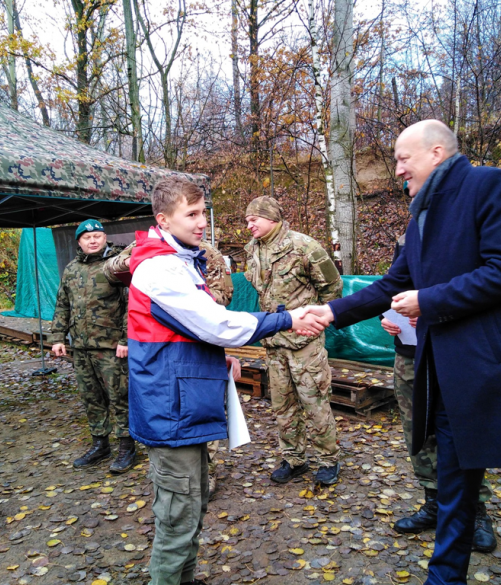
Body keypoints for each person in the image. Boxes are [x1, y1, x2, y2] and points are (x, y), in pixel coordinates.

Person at [303, 120, 501, 585]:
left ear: (436, 152)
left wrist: (429, 301)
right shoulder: (421, 216)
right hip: (451, 385)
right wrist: (331, 311)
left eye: (402, 158)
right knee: (453, 497)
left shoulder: (488, 186)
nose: (396, 170)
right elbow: (393, 283)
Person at [125, 177, 324, 585]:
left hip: (183, 403)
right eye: (192, 214)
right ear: (163, 219)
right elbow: (213, 323)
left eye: (203, 213)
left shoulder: (180, 260)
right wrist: (286, 319)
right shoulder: (161, 267)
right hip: (170, 408)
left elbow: (189, 331)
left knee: (193, 504)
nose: (202, 224)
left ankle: (185, 579)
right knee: (178, 517)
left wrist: (220, 358)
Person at [382, 234, 497, 552]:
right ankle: (434, 503)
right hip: (408, 356)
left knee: (463, 434)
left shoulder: (465, 234)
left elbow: (485, 288)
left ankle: (476, 513)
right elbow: (394, 287)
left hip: (453, 354)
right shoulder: (407, 238)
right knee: (417, 434)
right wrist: (386, 317)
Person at [104, 237, 234, 496]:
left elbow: (225, 296)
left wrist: (186, 299)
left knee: (201, 406)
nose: (197, 224)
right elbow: (110, 269)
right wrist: (138, 261)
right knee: (165, 407)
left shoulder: (208, 253)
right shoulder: (146, 245)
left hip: (198, 342)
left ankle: (205, 472)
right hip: (157, 344)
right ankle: (171, 473)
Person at [244, 196, 343, 485]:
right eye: (247, 220)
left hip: (304, 343)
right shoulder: (252, 250)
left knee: (314, 403)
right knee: (282, 405)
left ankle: (328, 459)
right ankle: (294, 458)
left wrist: (317, 320)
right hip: (274, 342)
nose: (249, 225)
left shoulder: (304, 246)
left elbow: (332, 287)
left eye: (254, 219)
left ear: (272, 218)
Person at [51, 219, 136, 474]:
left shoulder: (115, 267)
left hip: (111, 347)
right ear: (79, 241)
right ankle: (100, 444)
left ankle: (126, 447)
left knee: (120, 396)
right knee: (91, 397)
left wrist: (125, 340)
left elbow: (130, 305)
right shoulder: (71, 269)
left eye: (98, 236)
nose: (93, 240)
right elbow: (62, 304)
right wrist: (58, 337)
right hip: (81, 347)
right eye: (87, 237)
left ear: (104, 238)